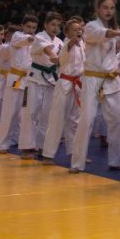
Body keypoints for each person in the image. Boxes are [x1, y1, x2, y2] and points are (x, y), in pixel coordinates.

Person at [70, 0, 120, 173]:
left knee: (117, 120)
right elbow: (106, 35)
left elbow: (115, 44)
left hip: (112, 77)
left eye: (112, 8)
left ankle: (114, 160)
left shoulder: (114, 28)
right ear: (98, 9)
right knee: (87, 119)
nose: (109, 11)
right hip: (92, 77)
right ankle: (77, 162)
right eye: (105, 8)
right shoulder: (91, 26)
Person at [41, 17, 85, 164]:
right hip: (65, 83)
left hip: (77, 85)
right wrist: (73, 39)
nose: (78, 32)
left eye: (80, 29)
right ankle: (48, 154)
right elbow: (70, 44)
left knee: (74, 121)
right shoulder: (68, 43)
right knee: (57, 119)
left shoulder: (82, 45)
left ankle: (73, 152)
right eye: (74, 30)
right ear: (67, 33)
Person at [21, 12, 62, 158]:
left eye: (58, 25)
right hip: (35, 78)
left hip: (51, 80)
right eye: (52, 24)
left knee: (46, 115)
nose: (55, 28)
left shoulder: (60, 42)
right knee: (31, 112)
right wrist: (53, 56)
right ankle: (27, 147)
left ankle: (42, 146)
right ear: (45, 25)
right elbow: (46, 49)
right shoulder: (39, 37)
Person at [0, 15, 37, 153]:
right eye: (28, 27)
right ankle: (2, 144)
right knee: (9, 112)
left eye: (33, 28)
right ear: (22, 26)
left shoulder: (36, 40)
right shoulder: (17, 37)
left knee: (26, 115)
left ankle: (22, 141)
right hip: (15, 78)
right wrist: (33, 39)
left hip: (29, 80)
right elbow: (26, 39)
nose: (31, 30)